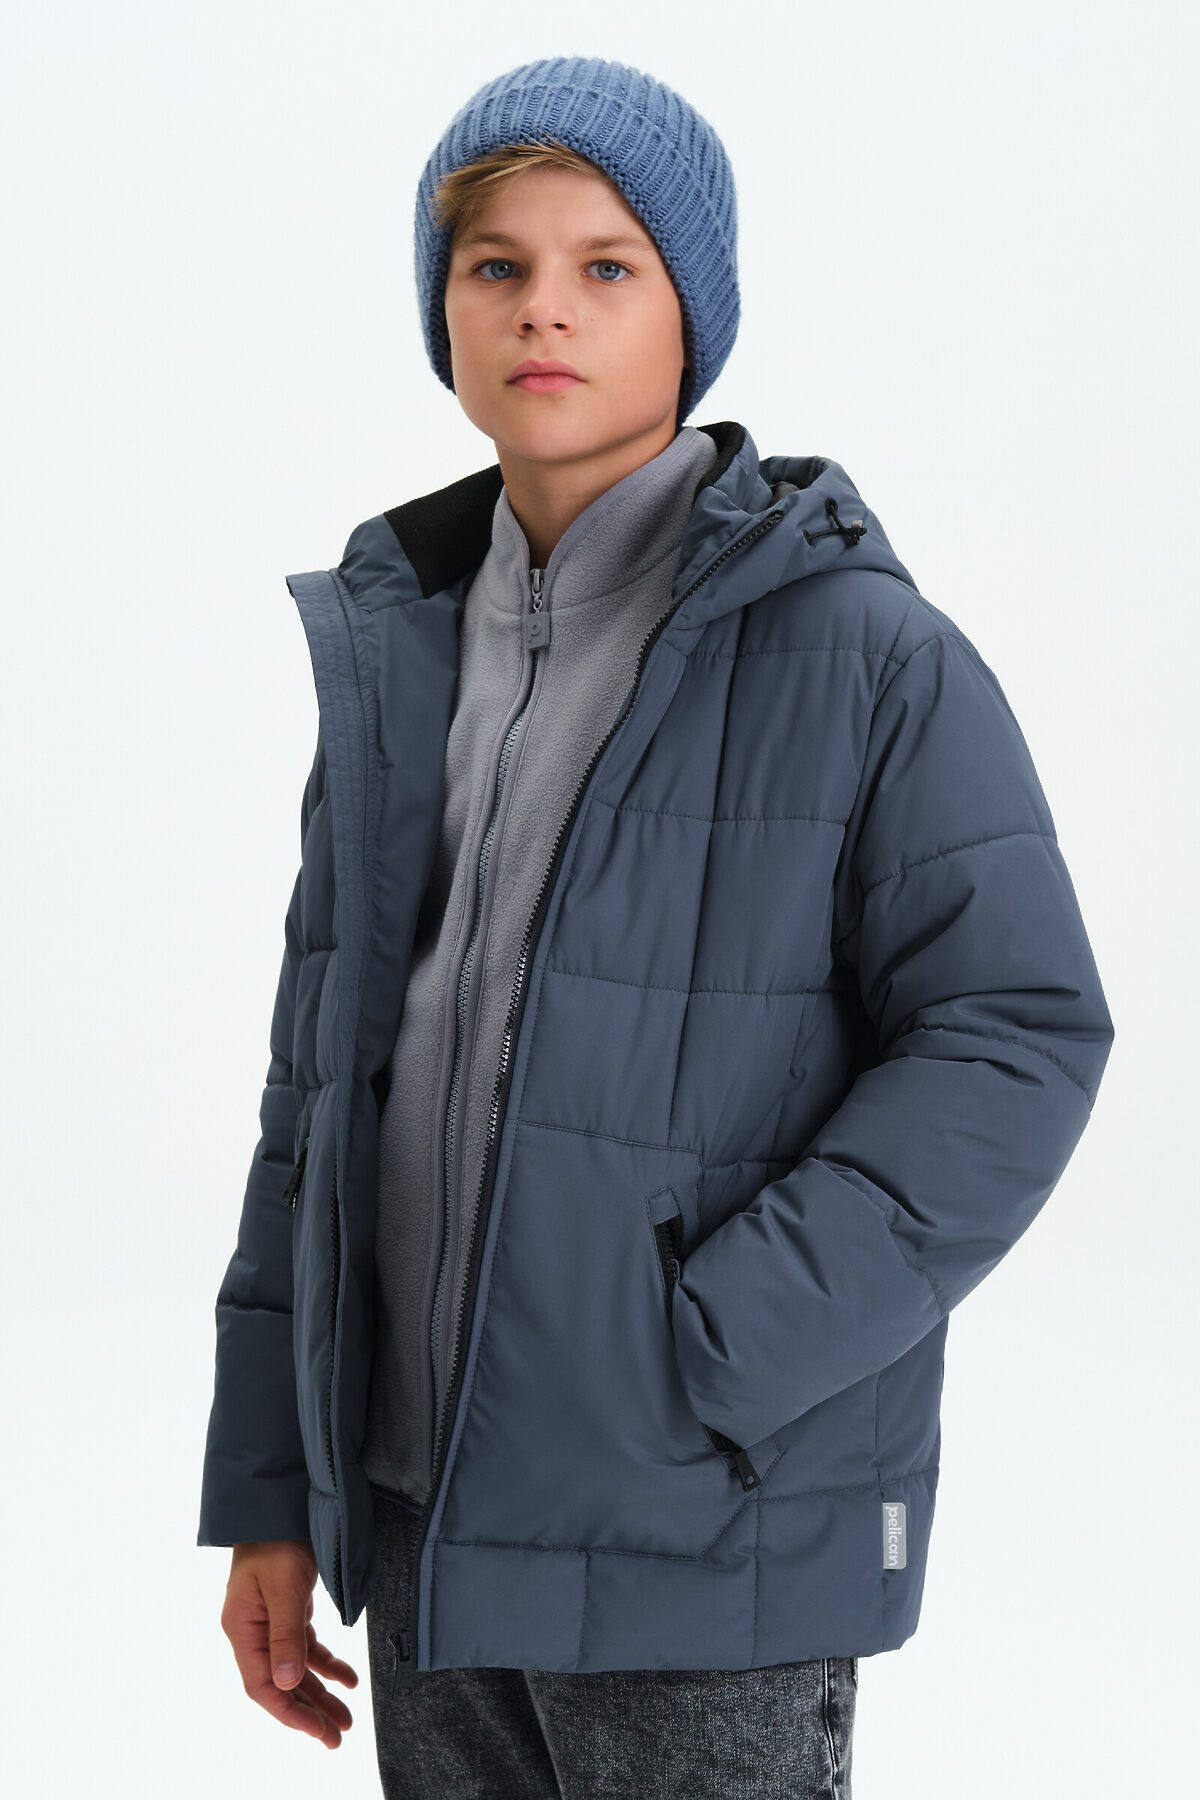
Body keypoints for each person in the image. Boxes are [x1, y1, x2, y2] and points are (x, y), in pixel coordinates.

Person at [197, 55, 1116, 1799]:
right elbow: (313, 1098)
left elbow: (1017, 1035)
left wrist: (714, 1348)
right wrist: (271, 1485)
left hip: (701, 1538)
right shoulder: (400, 657)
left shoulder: (862, 652)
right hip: (421, 1521)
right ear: (443, 314)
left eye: (606, 266)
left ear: (694, 313)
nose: (543, 307)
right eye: (496, 265)